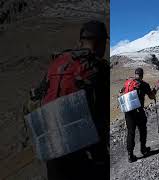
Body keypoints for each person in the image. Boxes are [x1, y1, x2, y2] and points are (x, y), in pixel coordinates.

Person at [25, 20, 109, 179]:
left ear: (81, 40)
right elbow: (102, 114)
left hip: (52, 144)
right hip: (84, 148)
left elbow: (37, 98)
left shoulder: (58, 63)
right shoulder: (97, 67)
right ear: (100, 42)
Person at [119, 68, 157, 163]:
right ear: (142, 75)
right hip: (138, 111)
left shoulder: (128, 82)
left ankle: (130, 155)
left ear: (135, 74)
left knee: (131, 132)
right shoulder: (144, 84)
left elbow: (122, 93)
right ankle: (143, 149)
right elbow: (151, 96)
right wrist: (155, 91)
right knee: (142, 129)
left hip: (128, 112)